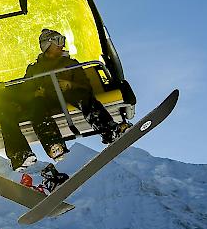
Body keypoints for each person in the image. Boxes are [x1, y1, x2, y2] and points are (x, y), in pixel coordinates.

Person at [23, 28, 129, 161]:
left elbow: (85, 86)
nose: (62, 45)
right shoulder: (34, 69)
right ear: (47, 45)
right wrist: (36, 93)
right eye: (58, 41)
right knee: (36, 107)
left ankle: (109, 129)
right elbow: (26, 87)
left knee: (83, 96)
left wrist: (70, 84)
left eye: (63, 40)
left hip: (68, 95)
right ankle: (54, 145)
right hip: (48, 99)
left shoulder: (70, 63)